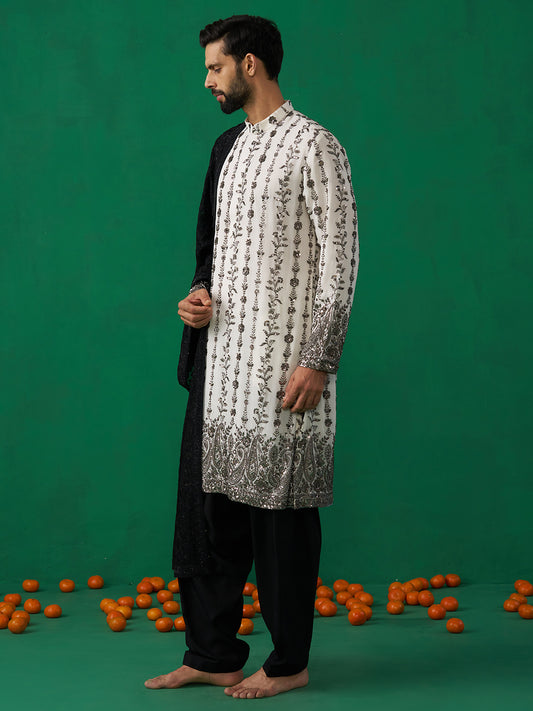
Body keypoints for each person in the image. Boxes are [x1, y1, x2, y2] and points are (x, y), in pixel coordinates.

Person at [145, 14, 359, 699]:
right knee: (208, 516)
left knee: (280, 520)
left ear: (250, 64)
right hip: (219, 371)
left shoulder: (314, 145)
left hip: (284, 371)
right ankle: (213, 652)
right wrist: (198, 297)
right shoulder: (225, 148)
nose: (207, 80)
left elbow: (341, 261)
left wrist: (319, 358)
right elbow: (211, 252)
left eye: (214, 67)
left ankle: (289, 661)